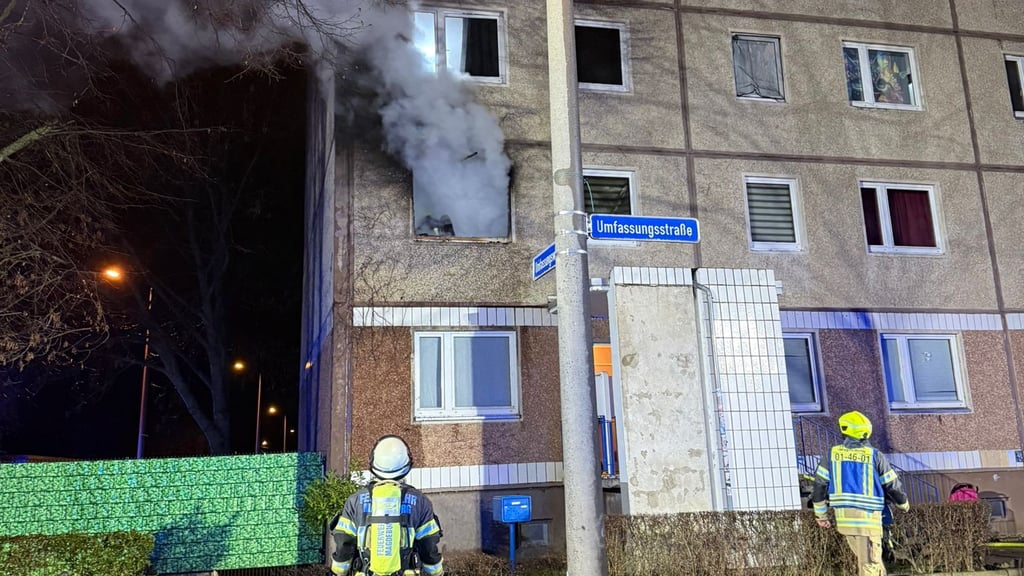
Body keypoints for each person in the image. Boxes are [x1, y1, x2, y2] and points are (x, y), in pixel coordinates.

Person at [812, 411, 909, 576]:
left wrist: (821, 516)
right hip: (868, 522)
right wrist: (903, 504)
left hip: (845, 522)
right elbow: (892, 485)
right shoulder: (874, 456)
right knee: (870, 566)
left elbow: (819, 486)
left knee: (873, 565)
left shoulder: (832, 455)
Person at [330, 436, 444, 576]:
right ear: (407, 465)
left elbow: (343, 545)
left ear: (373, 462)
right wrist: (438, 573)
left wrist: (336, 572)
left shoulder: (355, 501)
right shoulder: (420, 502)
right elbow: (429, 548)